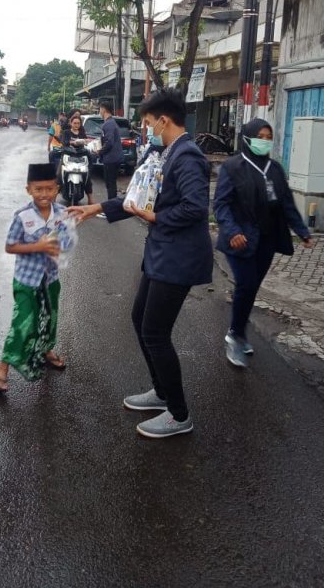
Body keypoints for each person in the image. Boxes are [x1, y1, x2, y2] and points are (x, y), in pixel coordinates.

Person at [68, 89, 213, 439]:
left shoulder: (188, 156)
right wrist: (97, 207)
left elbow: (195, 208)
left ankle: (178, 414)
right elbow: (137, 200)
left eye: (148, 123)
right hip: (161, 253)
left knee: (154, 332)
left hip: (177, 258)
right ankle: (161, 392)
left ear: (163, 120)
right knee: (139, 318)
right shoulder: (165, 152)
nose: (145, 130)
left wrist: (157, 215)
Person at [214, 118, 313, 369]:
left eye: (269, 136)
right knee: (246, 284)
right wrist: (233, 230)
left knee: (252, 288)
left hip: (267, 240)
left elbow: (287, 203)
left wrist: (303, 232)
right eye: (260, 136)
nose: (265, 141)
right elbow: (221, 204)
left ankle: (239, 328)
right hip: (240, 240)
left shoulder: (275, 168)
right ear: (247, 137)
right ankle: (235, 335)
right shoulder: (232, 166)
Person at [0, 163, 66, 392]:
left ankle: (47, 350)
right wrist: (39, 246)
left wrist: (60, 247)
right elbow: (10, 247)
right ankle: (2, 369)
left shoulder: (61, 213)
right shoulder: (22, 217)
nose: (44, 194)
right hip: (27, 280)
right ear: (29, 190)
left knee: (50, 317)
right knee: (22, 323)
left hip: (50, 278)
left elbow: (65, 240)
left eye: (49, 189)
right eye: (38, 189)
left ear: (57, 189)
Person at [61, 113, 94, 204]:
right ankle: (52, 200)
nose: (76, 125)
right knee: (59, 175)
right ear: (71, 123)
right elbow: (65, 142)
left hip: (80, 157)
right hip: (68, 156)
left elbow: (86, 142)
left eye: (78, 123)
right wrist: (74, 142)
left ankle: (90, 200)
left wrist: (87, 142)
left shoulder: (82, 133)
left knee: (87, 177)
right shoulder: (66, 132)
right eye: (74, 123)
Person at [98, 100, 123, 202]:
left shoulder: (108, 124)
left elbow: (109, 142)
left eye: (100, 109)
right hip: (114, 158)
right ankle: (112, 206)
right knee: (111, 184)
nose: (99, 111)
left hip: (111, 159)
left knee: (110, 184)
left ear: (103, 109)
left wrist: (100, 151)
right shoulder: (111, 123)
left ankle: (111, 208)